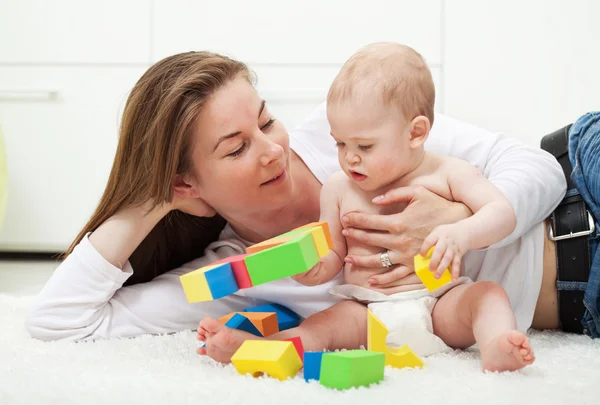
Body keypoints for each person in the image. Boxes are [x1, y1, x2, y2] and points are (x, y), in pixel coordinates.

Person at [24, 50, 570, 352]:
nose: (272, 150)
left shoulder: (350, 133)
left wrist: (459, 219)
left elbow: (541, 170)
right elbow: (59, 322)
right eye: (237, 147)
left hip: (581, 193)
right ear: (186, 185)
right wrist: (150, 198)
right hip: (579, 298)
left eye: (265, 120)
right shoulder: (233, 275)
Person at [196, 43, 535, 372]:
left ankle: (496, 344)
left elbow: (501, 212)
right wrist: (314, 270)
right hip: (366, 310)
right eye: (340, 143)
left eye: (365, 145)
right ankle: (261, 349)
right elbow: (333, 253)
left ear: (415, 133)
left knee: (486, 296)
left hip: (440, 302)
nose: (348, 157)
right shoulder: (338, 188)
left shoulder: (447, 172)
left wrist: (461, 232)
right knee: (320, 327)